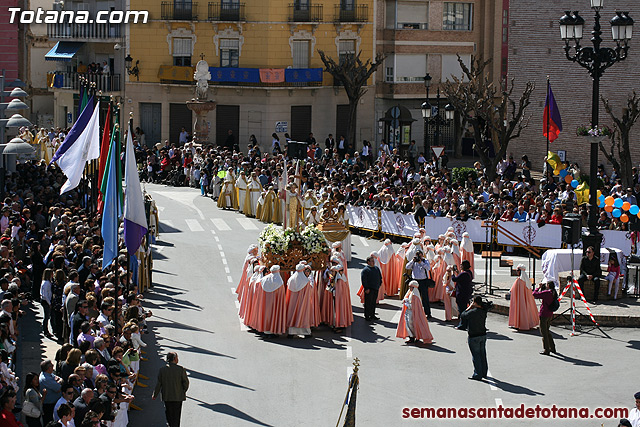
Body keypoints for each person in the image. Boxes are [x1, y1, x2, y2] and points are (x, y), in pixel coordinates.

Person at [457, 296, 491, 381]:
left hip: (474, 336)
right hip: (483, 335)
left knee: (476, 355)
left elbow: (463, 315)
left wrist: (469, 307)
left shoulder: (472, 312)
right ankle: (484, 372)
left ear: (475, 302)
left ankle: (477, 374)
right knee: (482, 354)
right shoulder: (483, 311)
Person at [152, 352, 189, 427]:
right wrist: (182, 391)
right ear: (175, 359)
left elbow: (159, 383)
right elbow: (186, 383)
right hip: (178, 396)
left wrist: (155, 394)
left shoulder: (162, 370)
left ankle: (170, 424)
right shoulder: (181, 369)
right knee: (176, 414)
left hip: (167, 396)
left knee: (169, 412)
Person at [507, 265, 539, 331]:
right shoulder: (527, 281)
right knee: (527, 310)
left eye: (518, 270)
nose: (517, 272)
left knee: (520, 310)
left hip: (520, 299)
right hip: (526, 300)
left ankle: (519, 324)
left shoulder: (519, 280)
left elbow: (514, 289)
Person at [532, 282, 558, 356]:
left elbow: (534, 294)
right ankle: (552, 347)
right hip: (550, 314)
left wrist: (538, 287)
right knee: (547, 331)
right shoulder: (553, 292)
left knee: (544, 332)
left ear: (548, 286)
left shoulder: (547, 293)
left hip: (544, 314)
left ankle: (546, 349)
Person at [405, 249, 432, 318]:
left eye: (420, 256)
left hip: (423, 281)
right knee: (414, 297)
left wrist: (421, 262)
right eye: (417, 256)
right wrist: (412, 261)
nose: (418, 258)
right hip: (415, 281)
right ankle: (414, 311)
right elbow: (407, 267)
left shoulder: (425, 261)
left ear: (422, 256)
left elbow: (428, 268)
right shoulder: (414, 261)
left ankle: (427, 313)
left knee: (425, 297)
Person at [360, 255, 382, 322]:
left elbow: (380, 277)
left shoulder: (376, 268)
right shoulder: (365, 270)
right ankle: (367, 316)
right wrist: (366, 288)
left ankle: (372, 315)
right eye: (372, 261)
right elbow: (364, 280)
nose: (373, 262)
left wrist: (379, 284)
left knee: (373, 302)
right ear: (368, 262)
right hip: (369, 289)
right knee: (368, 303)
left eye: (373, 261)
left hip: (376, 288)